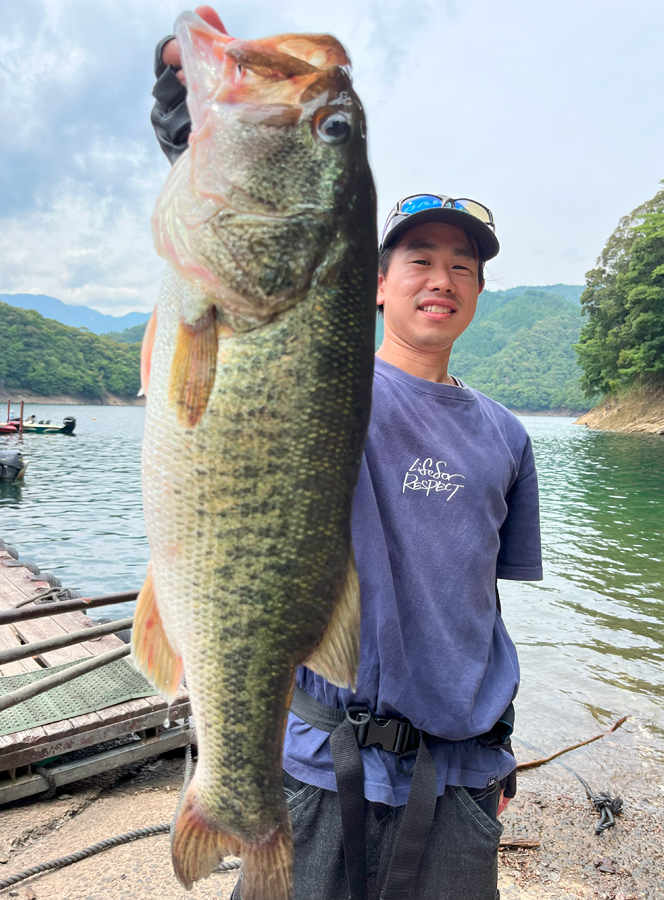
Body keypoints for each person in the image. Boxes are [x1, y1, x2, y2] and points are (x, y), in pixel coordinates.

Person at [151, 11, 543, 900]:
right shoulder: (335, 392)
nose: (440, 279)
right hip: (325, 770)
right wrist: (190, 148)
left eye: (462, 267)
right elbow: (250, 303)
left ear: (479, 291)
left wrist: (501, 747)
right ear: (371, 281)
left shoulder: (509, 436)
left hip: (461, 782)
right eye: (418, 260)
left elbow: (477, 603)